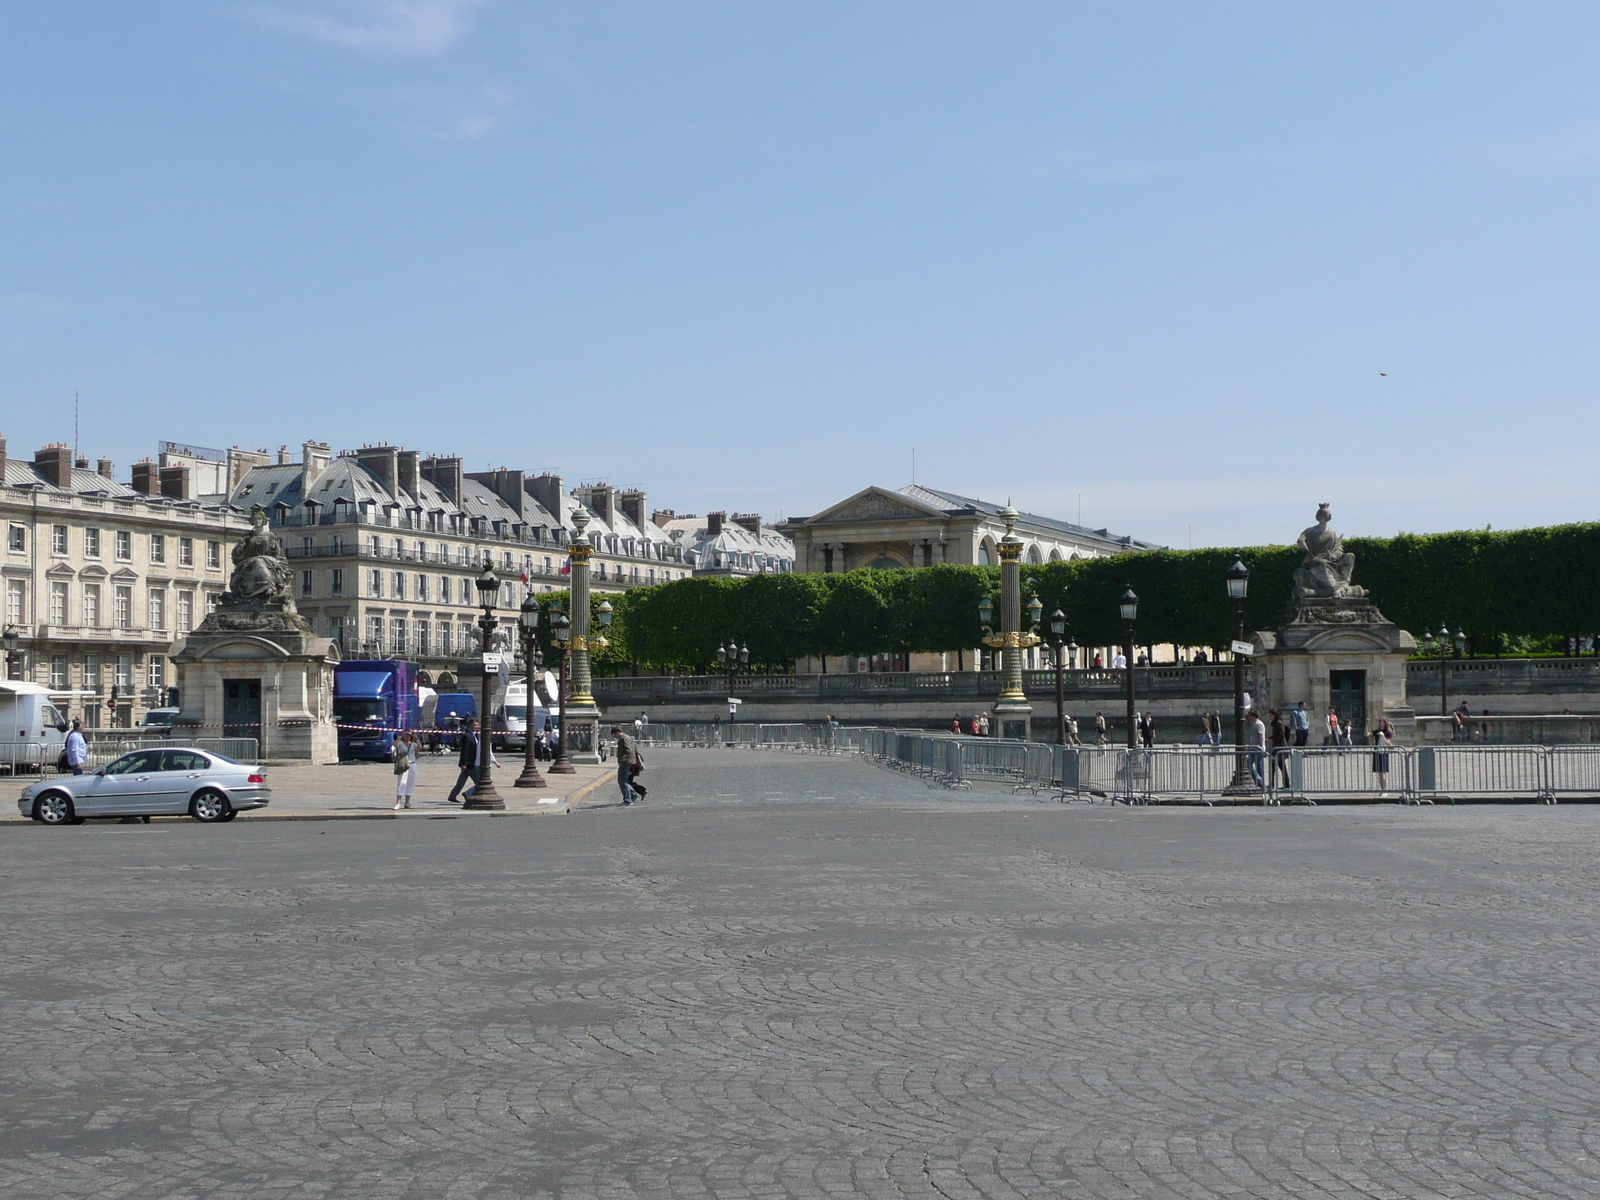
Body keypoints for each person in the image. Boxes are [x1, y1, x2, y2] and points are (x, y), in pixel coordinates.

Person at [446, 718, 481, 804]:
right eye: (475, 725)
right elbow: (464, 751)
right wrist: (463, 764)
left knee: (461, 782)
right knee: (480, 782)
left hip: (472, 762)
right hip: (469, 764)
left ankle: (452, 796)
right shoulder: (467, 736)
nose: (477, 727)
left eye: (477, 725)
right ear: (470, 725)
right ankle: (467, 794)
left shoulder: (474, 735)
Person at [612, 726, 641, 805]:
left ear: (618, 732)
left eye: (614, 735)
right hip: (629, 762)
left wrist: (622, 761)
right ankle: (633, 794)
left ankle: (628, 799)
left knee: (622, 781)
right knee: (623, 780)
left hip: (626, 763)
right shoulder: (627, 737)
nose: (615, 737)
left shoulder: (623, 739)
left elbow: (628, 751)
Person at [392, 730, 418, 810]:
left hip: (412, 764)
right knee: (401, 782)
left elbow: (420, 747)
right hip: (403, 765)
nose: (407, 738)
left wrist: (416, 738)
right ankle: (398, 803)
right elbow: (395, 744)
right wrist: (400, 737)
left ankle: (407, 803)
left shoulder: (413, 744)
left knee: (410, 783)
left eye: (408, 736)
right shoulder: (401, 743)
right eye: (406, 736)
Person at [1268, 709, 1292, 788]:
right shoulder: (1276, 723)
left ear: (1274, 715)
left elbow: (1280, 735)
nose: (1270, 717)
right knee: (1278, 766)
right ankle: (1284, 784)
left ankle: (1283, 784)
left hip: (1279, 747)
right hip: (1277, 747)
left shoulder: (1278, 723)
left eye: (1271, 715)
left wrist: (1272, 739)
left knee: (1279, 766)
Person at [1370, 718, 1394, 793]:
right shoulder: (1377, 731)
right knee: (1379, 774)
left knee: (1382, 773)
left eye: (1380, 721)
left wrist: (1383, 736)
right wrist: (1366, 725)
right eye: (1378, 721)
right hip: (1377, 753)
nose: (1378, 722)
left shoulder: (1388, 732)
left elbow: (1388, 743)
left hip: (1384, 753)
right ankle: (1382, 789)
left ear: (1384, 723)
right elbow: (1366, 734)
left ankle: (1385, 791)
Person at [1247, 709, 1268, 788]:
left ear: (1254, 716)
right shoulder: (1257, 724)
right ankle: (1260, 783)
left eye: (1250, 716)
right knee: (1259, 766)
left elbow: (1260, 736)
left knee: (1249, 764)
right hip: (1256, 748)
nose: (1249, 718)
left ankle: (1260, 781)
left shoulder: (1258, 724)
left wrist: (1260, 746)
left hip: (1256, 748)